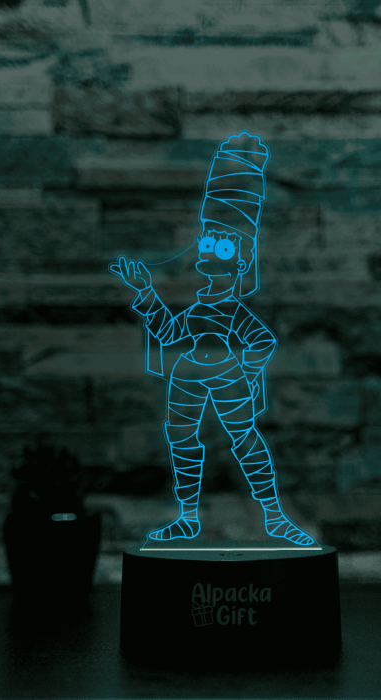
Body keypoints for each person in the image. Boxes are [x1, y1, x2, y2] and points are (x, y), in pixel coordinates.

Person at [109, 132, 315, 546]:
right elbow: (169, 331)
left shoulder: (236, 313)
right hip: (187, 376)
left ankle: (274, 517)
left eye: (220, 246)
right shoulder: (198, 309)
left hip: (225, 376)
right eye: (207, 242)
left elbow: (262, 342)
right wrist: (145, 292)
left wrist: (245, 375)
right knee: (182, 438)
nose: (208, 249)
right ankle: (188, 517)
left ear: (240, 262)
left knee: (244, 439)